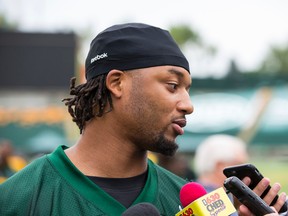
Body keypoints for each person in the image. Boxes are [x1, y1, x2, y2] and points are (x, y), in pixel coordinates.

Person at [0, 23, 285, 216]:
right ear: (117, 83)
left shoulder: (188, 199)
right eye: (172, 85)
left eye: (188, 90)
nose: (188, 105)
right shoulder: (19, 198)